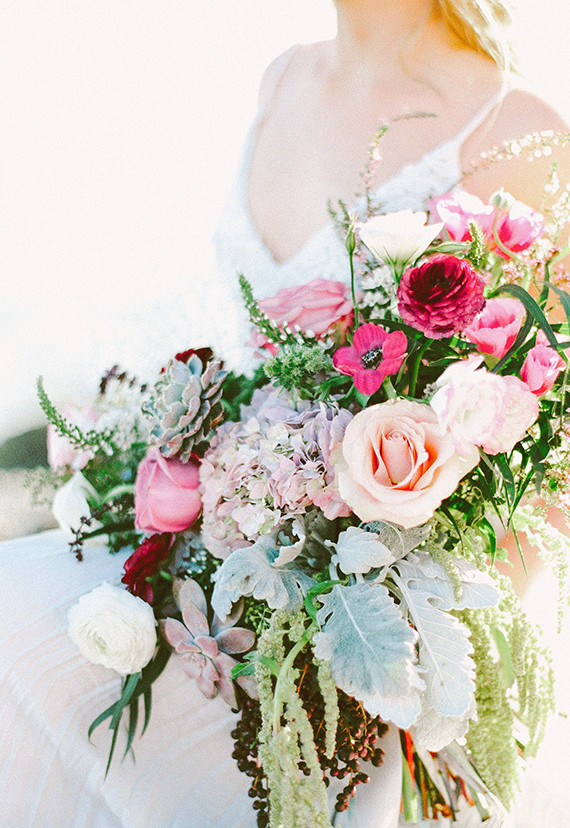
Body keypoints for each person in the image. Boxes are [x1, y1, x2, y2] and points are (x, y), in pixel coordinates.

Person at [0, 1, 568, 826]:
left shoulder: (515, 129)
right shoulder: (285, 75)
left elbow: (546, 458)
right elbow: (243, 361)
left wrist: (400, 661)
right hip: (223, 573)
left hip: (359, 647)